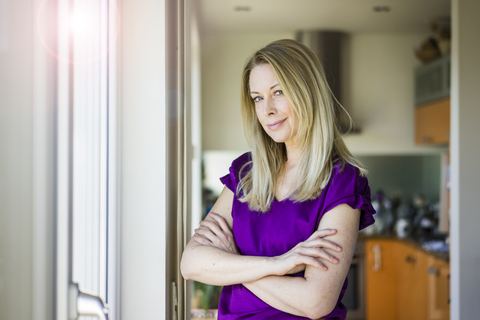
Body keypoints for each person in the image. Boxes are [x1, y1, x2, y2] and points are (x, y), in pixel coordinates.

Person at [181, 39, 376, 320]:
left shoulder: (342, 182)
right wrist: (278, 264)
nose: (267, 110)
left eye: (278, 92)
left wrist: (232, 263)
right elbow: (191, 264)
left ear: (307, 93)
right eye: (257, 98)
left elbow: (315, 302)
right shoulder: (245, 173)